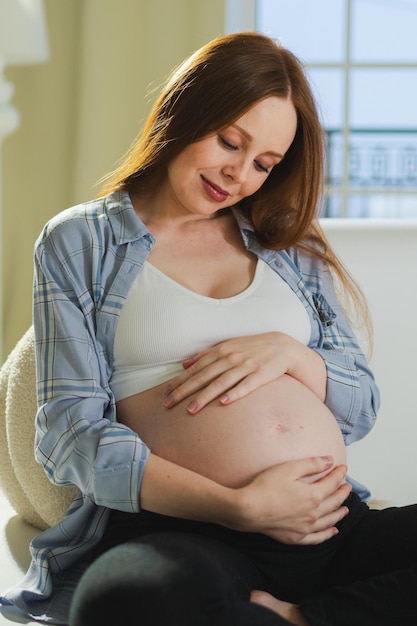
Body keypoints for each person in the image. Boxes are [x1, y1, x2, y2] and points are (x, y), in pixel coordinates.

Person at [1, 31, 416, 626]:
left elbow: (361, 404)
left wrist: (291, 356)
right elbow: (71, 433)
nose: (240, 175)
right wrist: (238, 507)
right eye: (230, 141)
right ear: (186, 110)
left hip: (329, 520)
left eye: (264, 164)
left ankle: (302, 617)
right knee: (126, 599)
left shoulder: (288, 249)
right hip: (194, 532)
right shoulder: (81, 241)